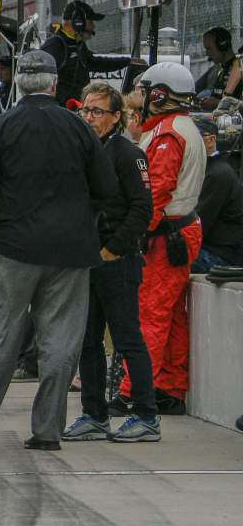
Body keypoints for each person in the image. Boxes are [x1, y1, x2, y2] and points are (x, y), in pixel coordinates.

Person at [0, 51, 110, 454]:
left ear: (18, 86)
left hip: (10, 249)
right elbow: (105, 188)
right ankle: (48, 430)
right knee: (61, 340)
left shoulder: (0, 127)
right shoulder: (79, 130)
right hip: (70, 252)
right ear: (55, 85)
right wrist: (81, 227)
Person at [63, 82, 156, 442]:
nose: (89, 117)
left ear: (117, 117)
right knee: (87, 341)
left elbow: (142, 208)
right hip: (85, 260)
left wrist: (113, 249)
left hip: (117, 260)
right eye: (86, 110)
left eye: (98, 111)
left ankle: (147, 415)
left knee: (127, 338)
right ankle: (94, 414)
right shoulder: (84, 151)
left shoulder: (127, 154)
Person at [127, 62, 206, 415]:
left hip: (166, 234)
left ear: (158, 95)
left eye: (144, 92)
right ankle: (169, 388)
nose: (139, 98)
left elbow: (156, 192)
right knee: (171, 315)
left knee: (151, 314)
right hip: (178, 230)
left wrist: (136, 233)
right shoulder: (177, 127)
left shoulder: (167, 133)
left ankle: (134, 391)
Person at [41, 0, 134, 111]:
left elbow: (95, 63)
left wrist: (128, 62)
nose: (93, 27)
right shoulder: (55, 45)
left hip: (76, 111)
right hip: (60, 114)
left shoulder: (78, 45)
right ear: (78, 22)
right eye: (91, 22)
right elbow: (41, 83)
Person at [194, 115, 243, 270]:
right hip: (212, 249)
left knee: (163, 260)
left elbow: (199, 222)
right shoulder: (209, 170)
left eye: (195, 138)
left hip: (219, 255)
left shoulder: (218, 174)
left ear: (211, 140)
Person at [200, 28, 243, 99]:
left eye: (209, 48)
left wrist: (217, 104)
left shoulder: (239, 69)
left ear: (222, 46)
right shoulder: (217, 70)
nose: (207, 53)